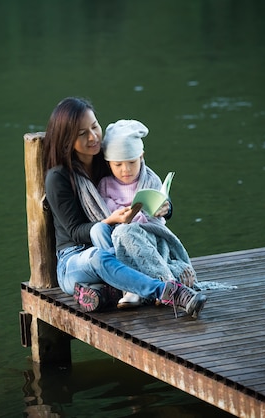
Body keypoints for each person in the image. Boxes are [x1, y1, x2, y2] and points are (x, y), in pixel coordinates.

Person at [42, 96, 207, 318]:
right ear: (66, 139)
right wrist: (110, 221)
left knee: (120, 242)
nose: (93, 137)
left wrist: (165, 207)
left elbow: (143, 185)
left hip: (115, 247)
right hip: (75, 260)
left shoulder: (109, 159)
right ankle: (169, 291)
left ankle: (106, 291)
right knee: (100, 244)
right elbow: (75, 232)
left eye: (94, 127)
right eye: (82, 134)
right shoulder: (59, 177)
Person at [95, 119, 199, 308]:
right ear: (108, 162)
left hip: (151, 238)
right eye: (118, 164)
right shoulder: (105, 185)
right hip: (120, 244)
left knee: (125, 232)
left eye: (132, 162)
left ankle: (154, 286)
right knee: (121, 233)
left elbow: (157, 213)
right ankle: (166, 281)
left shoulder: (150, 179)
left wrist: (162, 208)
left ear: (141, 156)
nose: (125, 170)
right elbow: (106, 213)